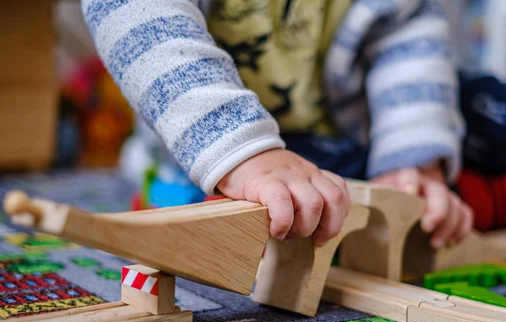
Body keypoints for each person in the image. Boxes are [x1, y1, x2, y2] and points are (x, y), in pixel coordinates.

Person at [82, 0, 472, 249]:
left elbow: (406, 38)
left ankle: (459, 197)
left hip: (341, 147)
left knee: (483, 110)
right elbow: (140, 19)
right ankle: (484, 197)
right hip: (207, 156)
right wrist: (238, 148)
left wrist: (412, 165)